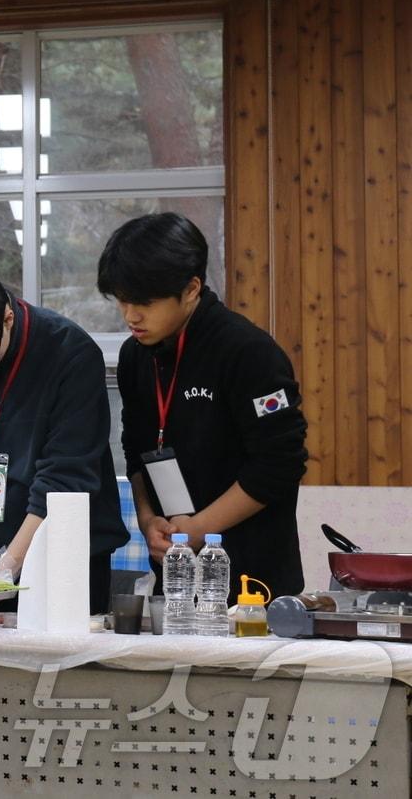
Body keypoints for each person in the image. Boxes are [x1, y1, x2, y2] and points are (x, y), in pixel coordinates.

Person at [98, 212, 308, 600]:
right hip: (175, 577)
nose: (131, 316)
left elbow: (280, 464)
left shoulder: (248, 352)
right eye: (123, 302)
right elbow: (136, 452)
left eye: (144, 302)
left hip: (253, 584)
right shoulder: (135, 356)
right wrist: (148, 522)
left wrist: (200, 529)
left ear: (192, 288)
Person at [0, 261, 129, 614]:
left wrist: (8, 568)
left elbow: (65, 478)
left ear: (7, 318)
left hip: (66, 558)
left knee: (60, 664)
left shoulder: (70, 354)